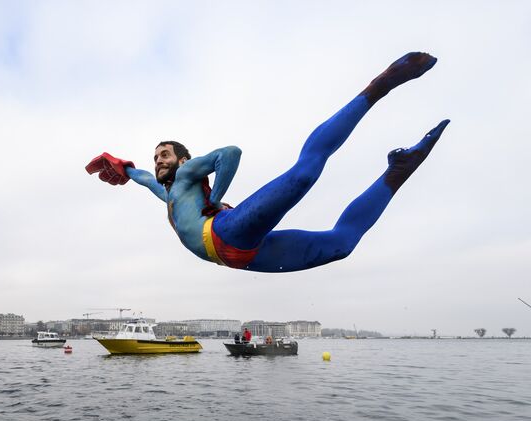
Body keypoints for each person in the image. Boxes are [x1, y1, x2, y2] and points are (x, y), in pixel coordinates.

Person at [85, 52, 449, 272]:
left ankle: (379, 87)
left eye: (164, 154)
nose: (159, 161)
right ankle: (397, 172)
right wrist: (126, 167)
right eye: (156, 157)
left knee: (304, 174)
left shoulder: (187, 174)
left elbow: (230, 154)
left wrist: (216, 198)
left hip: (227, 231)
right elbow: (146, 177)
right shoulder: (169, 193)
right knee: (341, 246)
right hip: (241, 255)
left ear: (183, 159)